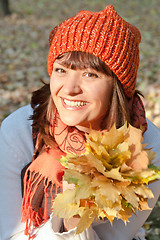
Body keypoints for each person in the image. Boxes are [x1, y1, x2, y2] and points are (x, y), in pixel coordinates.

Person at [0, 4, 160, 240]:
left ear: (117, 87)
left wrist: (76, 223)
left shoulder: (145, 148)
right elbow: (7, 232)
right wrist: (65, 225)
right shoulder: (20, 131)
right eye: (61, 70)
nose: (70, 89)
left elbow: (115, 236)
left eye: (90, 74)